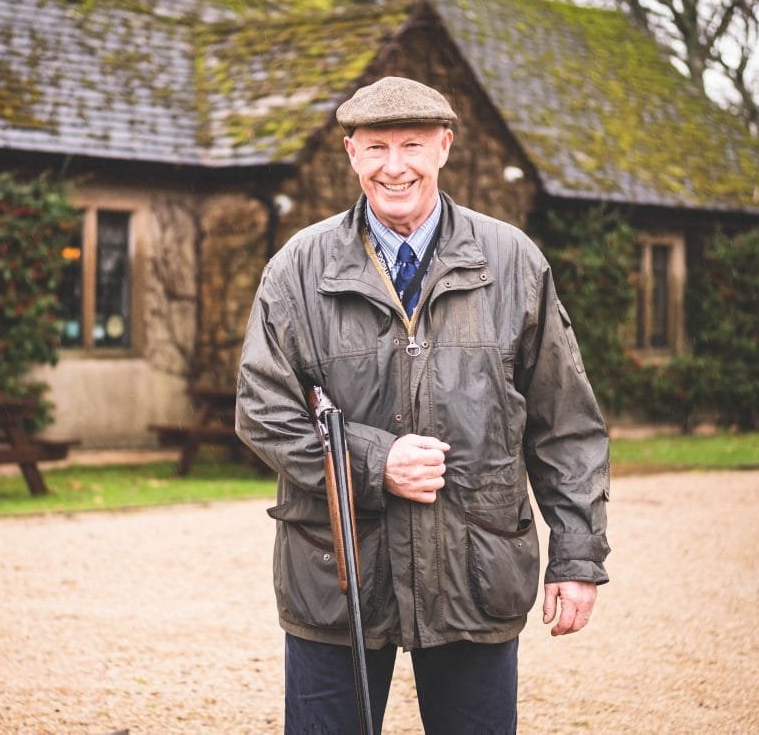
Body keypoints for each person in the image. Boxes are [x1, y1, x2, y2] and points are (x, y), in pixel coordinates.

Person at [235, 76, 610, 734]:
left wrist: (576, 558)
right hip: (338, 575)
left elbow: (565, 425)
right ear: (351, 154)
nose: (394, 165)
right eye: (375, 147)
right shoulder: (297, 269)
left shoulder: (513, 262)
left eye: (412, 144)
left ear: (444, 147)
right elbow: (261, 409)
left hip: (476, 569)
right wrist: (375, 462)